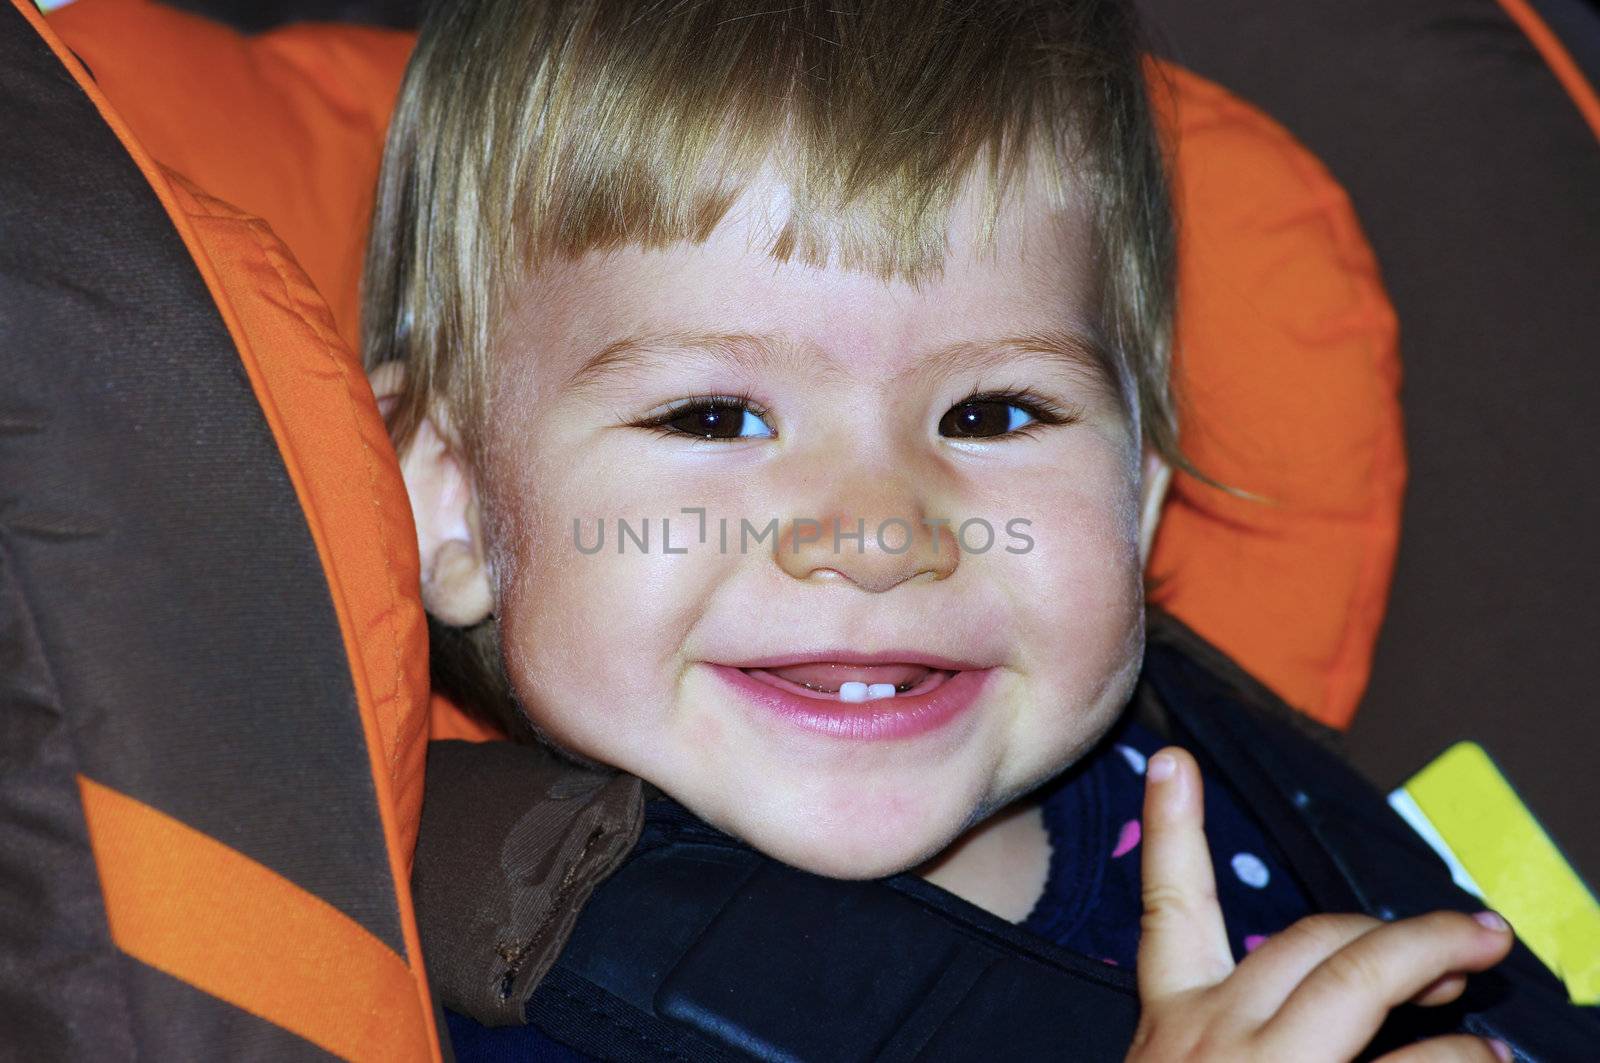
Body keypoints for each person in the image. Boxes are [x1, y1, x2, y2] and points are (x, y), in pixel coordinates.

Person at [362, 1, 1587, 1058]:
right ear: (453, 498)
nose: (881, 535)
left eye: (995, 412)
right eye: (718, 416)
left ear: (1138, 494)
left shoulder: (1255, 803)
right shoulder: (485, 984)